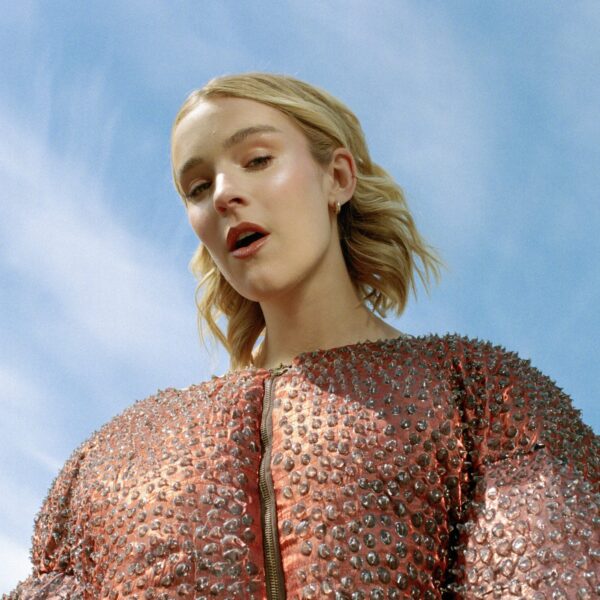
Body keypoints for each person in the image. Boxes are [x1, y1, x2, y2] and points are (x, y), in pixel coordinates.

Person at [6, 73, 598, 600]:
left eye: (257, 159)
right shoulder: (110, 459)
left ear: (337, 177)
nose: (224, 193)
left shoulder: (482, 394)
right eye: (197, 187)